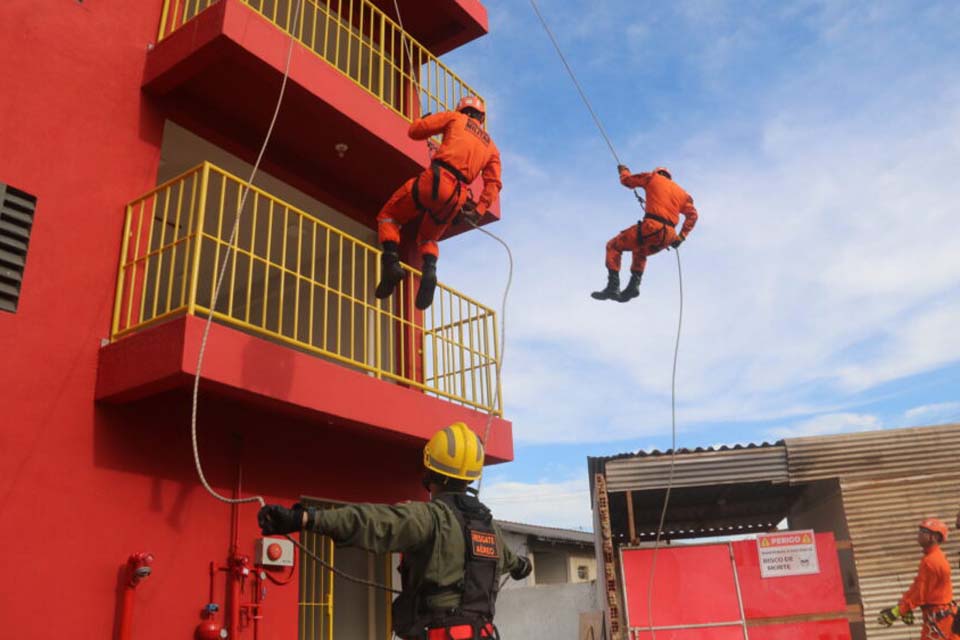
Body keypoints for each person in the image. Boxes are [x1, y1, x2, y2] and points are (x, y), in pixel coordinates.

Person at [257, 422, 531, 640]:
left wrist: (305, 518)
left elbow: (371, 521)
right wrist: (522, 567)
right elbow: (512, 562)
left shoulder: (430, 517)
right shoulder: (489, 528)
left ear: (430, 474)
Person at [375, 96, 503, 310]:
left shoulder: (454, 118)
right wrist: (479, 210)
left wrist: (423, 120)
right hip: (458, 196)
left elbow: (415, 132)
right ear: (481, 117)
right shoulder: (492, 148)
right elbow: (493, 184)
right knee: (428, 238)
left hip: (437, 179)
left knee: (390, 216)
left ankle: (390, 262)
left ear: (463, 110)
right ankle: (430, 270)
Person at [591, 165, 698, 303]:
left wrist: (623, 171)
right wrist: (681, 237)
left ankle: (613, 286)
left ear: (658, 172)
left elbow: (627, 181)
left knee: (613, 246)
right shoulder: (682, 194)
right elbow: (693, 216)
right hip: (668, 236)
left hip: (652, 227)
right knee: (640, 250)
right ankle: (634, 286)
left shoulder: (652, 177)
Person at [877, 518, 957, 638]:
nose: (919, 534)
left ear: (934, 537)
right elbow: (917, 586)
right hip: (939, 618)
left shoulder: (932, 562)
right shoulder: (931, 558)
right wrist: (904, 604)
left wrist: (898, 611)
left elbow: (920, 594)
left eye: (923, 531)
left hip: (941, 621)